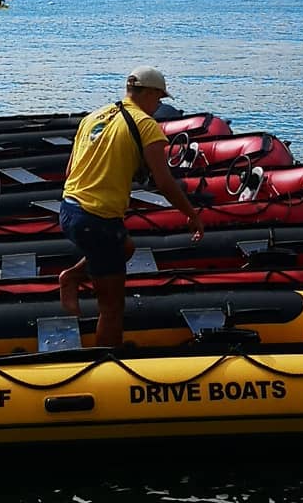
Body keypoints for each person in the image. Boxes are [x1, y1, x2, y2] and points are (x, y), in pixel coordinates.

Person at [59, 65, 205, 348]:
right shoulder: (146, 125)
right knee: (112, 309)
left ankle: (72, 276)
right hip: (97, 220)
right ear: (148, 93)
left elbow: (70, 171)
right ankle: (108, 362)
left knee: (125, 248)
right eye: (159, 98)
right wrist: (191, 215)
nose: (158, 105)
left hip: (69, 208)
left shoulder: (93, 117)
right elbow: (164, 181)